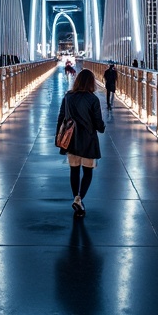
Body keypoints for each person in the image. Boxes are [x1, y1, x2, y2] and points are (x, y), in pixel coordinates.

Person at [55, 68, 105, 216]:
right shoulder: (93, 99)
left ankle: (75, 197)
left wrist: (58, 137)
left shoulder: (68, 97)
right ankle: (79, 199)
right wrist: (102, 128)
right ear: (91, 82)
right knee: (88, 172)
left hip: (71, 140)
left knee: (74, 171)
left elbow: (61, 117)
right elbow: (98, 122)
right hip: (88, 140)